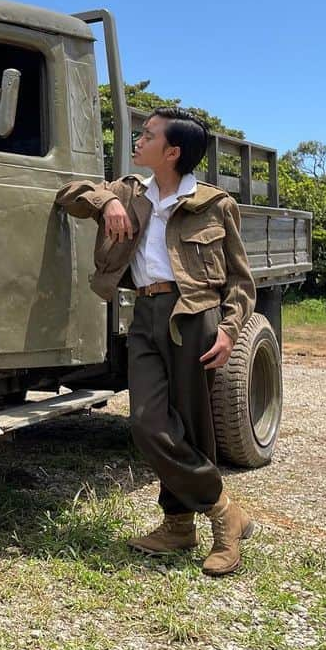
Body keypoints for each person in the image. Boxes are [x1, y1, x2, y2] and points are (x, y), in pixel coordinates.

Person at [55, 108, 258, 576]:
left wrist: (228, 330)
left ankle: (181, 525)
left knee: (192, 425)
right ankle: (225, 509)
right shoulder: (129, 191)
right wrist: (107, 204)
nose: (137, 140)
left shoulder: (215, 204)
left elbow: (239, 282)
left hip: (195, 317)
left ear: (172, 152)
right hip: (145, 314)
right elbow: (67, 194)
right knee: (148, 421)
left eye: (147, 136)